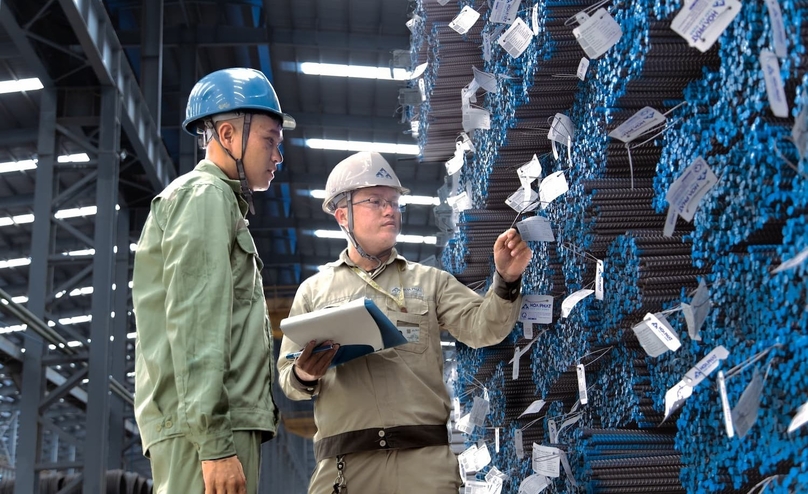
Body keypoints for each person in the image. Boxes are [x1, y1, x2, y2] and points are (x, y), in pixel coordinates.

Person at [277, 151, 533, 493]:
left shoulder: (431, 282)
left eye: (395, 203)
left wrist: (505, 279)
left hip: (424, 465)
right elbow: (288, 380)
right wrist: (304, 373)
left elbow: (484, 328)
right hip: (345, 468)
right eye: (375, 201)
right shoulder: (314, 292)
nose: (390, 210)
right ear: (342, 216)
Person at [132, 67, 295, 494]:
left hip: (212, 424)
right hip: (206, 430)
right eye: (270, 140)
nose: (278, 156)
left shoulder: (220, 203)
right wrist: (214, 443)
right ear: (227, 134)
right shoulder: (206, 197)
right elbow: (196, 323)